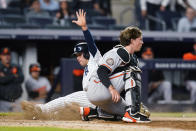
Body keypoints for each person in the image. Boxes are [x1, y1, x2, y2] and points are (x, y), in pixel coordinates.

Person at [21, 9, 104, 120]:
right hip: (95, 102)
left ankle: (40, 109)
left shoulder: (96, 59)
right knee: (63, 111)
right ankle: (45, 115)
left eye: (80, 54)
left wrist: (84, 28)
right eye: (76, 55)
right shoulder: (86, 70)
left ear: (87, 54)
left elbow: (91, 44)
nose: (78, 58)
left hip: (99, 98)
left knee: (67, 99)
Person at [84, 22, 151, 122]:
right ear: (132, 40)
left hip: (105, 97)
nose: (142, 42)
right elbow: (101, 71)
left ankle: (96, 112)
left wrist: (135, 102)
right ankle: (133, 113)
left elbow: (125, 84)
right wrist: (111, 89)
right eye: (140, 39)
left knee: (125, 113)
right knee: (132, 72)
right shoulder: (118, 52)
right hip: (97, 87)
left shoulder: (133, 58)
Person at [0, 47, 24, 112]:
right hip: (2, 102)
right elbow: (1, 80)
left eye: (8, 55)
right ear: (1, 56)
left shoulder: (16, 66)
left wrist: (6, 77)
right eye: (4, 55)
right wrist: (13, 76)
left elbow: (21, 79)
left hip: (16, 100)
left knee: (19, 120)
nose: (6, 57)